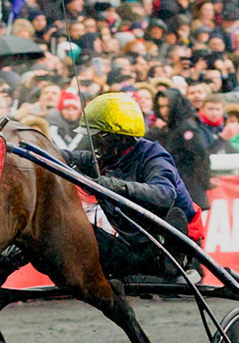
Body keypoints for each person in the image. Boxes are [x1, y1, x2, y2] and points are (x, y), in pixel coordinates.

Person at [73, 91, 198, 278]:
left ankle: (173, 261)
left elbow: (165, 194)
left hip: (165, 244)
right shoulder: (107, 155)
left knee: (173, 215)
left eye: (98, 137)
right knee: (75, 229)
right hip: (132, 242)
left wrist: (117, 186)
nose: (93, 143)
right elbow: (66, 156)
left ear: (118, 137)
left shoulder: (153, 155)